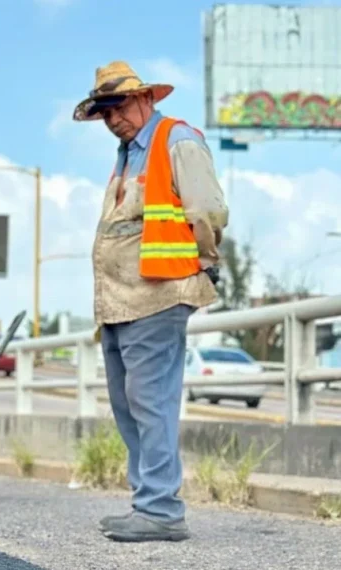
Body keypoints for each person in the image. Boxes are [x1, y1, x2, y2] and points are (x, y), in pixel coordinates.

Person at [73, 61, 228, 543]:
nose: (112, 118)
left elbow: (206, 209)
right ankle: (148, 502)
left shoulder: (175, 140)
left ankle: (161, 508)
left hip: (158, 295)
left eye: (117, 106)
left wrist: (206, 262)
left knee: (150, 402)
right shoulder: (126, 154)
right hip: (120, 303)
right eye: (104, 112)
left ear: (146, 99)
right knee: (127, 404)